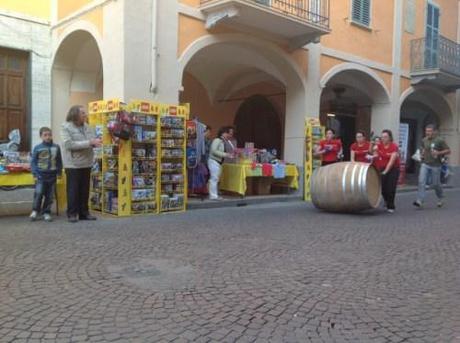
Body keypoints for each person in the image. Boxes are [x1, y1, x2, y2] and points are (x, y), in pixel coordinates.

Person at [61, 105, 102, 223]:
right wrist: (90, 142)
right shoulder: (65, 127)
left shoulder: (88, 127)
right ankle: (72, 214)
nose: (86, 115)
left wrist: (96, 142)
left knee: (85, 190)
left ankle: (84, 213)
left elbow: (92, 140)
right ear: (75, 114)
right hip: (73, 164)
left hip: (87, 162)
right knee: (73, 189)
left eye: (85, 113)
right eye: (83, 113)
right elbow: (69, 145)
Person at [413, 124, 450, 208]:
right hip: (425, 164)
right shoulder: (424, 140)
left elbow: (448, 150)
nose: (427, 133)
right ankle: (420, 200)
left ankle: (441, 197)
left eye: (429, 131)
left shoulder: (440, 140)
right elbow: (422, 148)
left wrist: (438, 153)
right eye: (426, 131)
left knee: (435, 184)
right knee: (421, 181)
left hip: (436, 165)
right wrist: (421, 154)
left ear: (434, 132)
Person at [30, 127, 63, 222]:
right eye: (45, 135)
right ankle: (35, 211)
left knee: (50, 196)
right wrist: (35, 173)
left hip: (52, 176)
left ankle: (46, 212)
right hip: (41, 175)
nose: (48, 137)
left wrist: (59, 172)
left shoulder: (56, 147)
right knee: (39, 193)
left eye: (49, 135)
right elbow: (33, 162)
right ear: (41, 136)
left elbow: (59, 161)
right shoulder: (37, 148)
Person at [375, 130, 400, 213]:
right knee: (382, 188)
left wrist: (385, 172)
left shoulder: (394, 147)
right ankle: (386, 200)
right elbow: (372, 153)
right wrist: (372, 147)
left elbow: (391, 162)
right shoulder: (379, 146)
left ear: (390, 138)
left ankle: (391, 205)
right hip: (382, 168)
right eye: (382, 137)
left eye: (385, 137)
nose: (383, 139)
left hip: (393, 169)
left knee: (390, 188)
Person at [208, 126, 233, 200]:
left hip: (218, 162)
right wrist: (226, 154)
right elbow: (213, 150)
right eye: (229, 133)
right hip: (214, 161)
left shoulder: (223, 141)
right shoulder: (217, 140)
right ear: (224, 133)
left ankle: (215, 194)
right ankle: (213, 196)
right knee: (214, 178)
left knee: (216, 178)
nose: (230, 136)